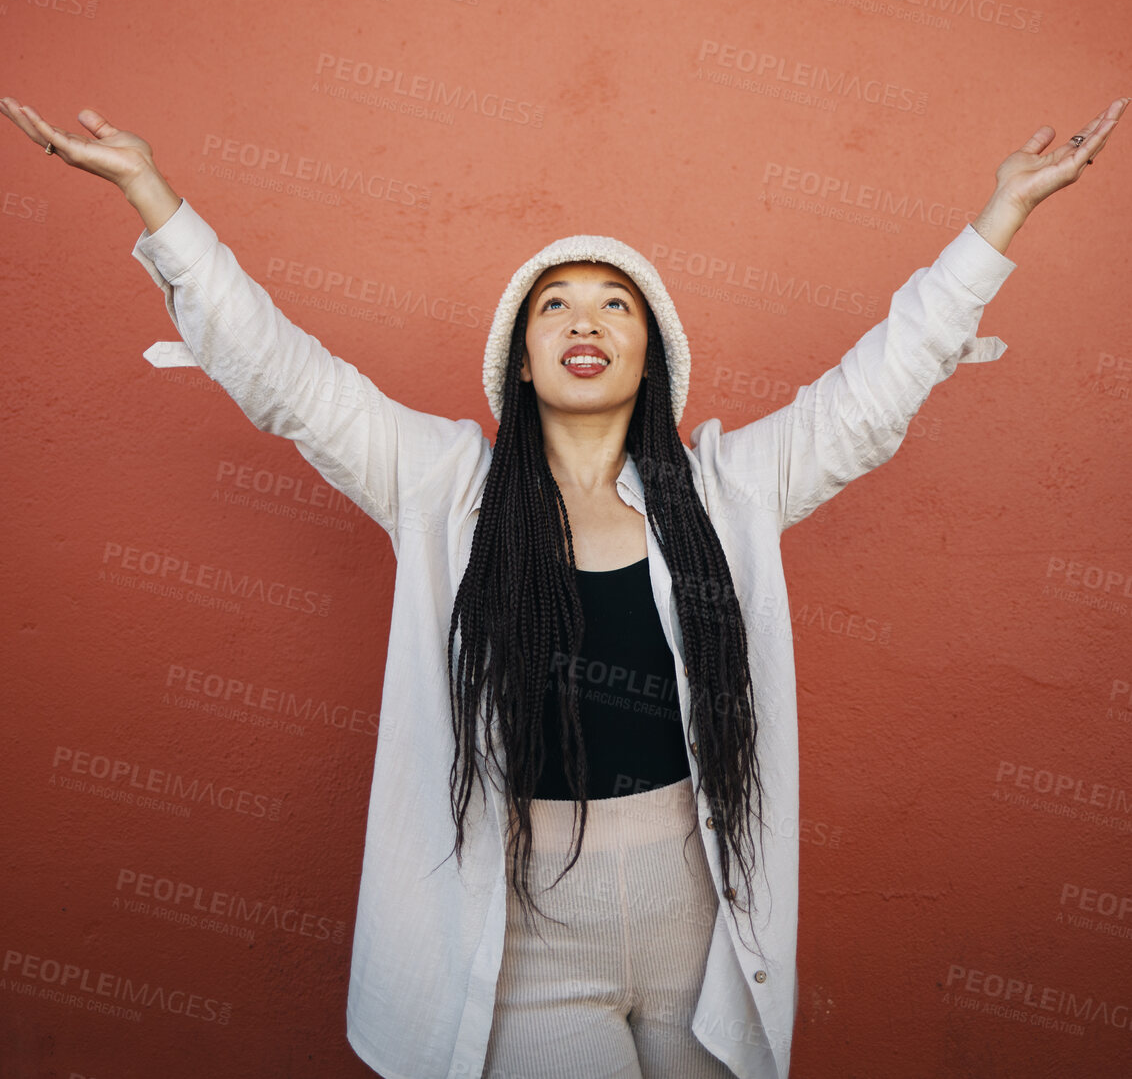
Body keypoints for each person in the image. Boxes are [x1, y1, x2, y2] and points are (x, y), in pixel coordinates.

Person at [1, 93, 1125, 1079]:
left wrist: (1000, 219)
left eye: (614, 304)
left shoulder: (728, 488)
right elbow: (288, 374)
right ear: (521, 357)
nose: (584, 321)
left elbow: (876, 387)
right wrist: (155, 196)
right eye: (555, 305)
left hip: (699, 910)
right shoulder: (441, 483)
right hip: (526, 925)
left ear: (651, 354)